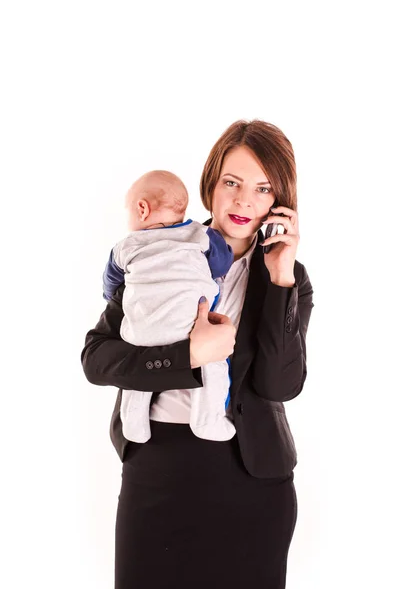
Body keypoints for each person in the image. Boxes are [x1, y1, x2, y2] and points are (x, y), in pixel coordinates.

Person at [81, 119, 315, 589]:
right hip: (157, 470)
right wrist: (186, 355)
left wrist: (281, 275)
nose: (244, 201)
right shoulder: (156, 249)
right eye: (232, 182)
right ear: (211, 183)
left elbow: (279, 385)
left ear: (279, 200)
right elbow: (97, 358)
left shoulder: (288, 278)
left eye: (263, 189)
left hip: (252, 479)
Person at [102, 169, 236, 443]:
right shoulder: (200, 234)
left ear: (142, 209)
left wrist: (116, 297)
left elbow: (111, 281)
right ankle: (207, 420)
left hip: (139, 334)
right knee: (214, 360)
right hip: (189, 329)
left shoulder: (125, 246)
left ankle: (134, 422)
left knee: (136, 371)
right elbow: (223, 262)